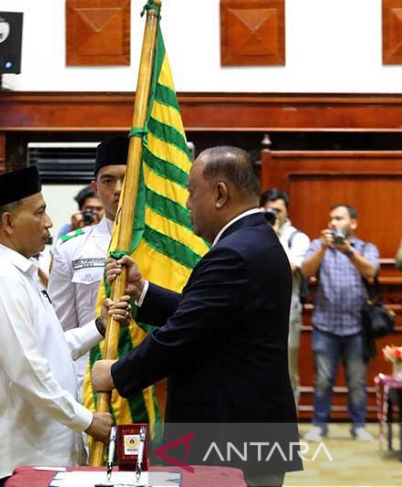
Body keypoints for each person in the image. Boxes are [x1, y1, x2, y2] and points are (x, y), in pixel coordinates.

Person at [91, 146, 301, 487]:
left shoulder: (233, 253)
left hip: (230, 437)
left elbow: (181, 337)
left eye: (191, 191)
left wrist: (115, 373)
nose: (186, 202)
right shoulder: (253, 240)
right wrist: (143, 291)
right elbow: (208, 321)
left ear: (219, 194)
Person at [0, 165, 126, 487]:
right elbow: (28, 371)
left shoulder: (18, 273)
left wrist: (100, 327)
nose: (48, 223)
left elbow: (49, 349)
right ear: (8, 223)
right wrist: (88, 421)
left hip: (40, 456)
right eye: (39, 213)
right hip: (14, 461)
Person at [48, 135, 127, 396]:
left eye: (127, 179)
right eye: (108, 180)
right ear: (95, 186)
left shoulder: (164, 248)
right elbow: (61, 332)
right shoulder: (71, 247)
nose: (118, 189)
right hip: (88, 385)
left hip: (148, 385)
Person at [301, 204, 379, 442]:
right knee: (323, 380)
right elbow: (305, 271)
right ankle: (319, 425)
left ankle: (358, 426)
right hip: (325, 326)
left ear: (353, 223)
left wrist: (348, 251)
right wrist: (324, 248)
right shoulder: (318, 245)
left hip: (356, 327)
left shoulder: (365, 247)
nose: (333, 223)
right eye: (331, 219)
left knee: (357, 381)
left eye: (339, 218)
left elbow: (371, 270)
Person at [260, 188, 310, 407]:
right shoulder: (253, 233)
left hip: (287, 312)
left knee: (287, 370)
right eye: (269, 210)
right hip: (256, 311)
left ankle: (290, 422)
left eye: (278, 210)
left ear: (287, 211)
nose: (275, 215)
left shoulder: (298, 238)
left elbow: (287, 267)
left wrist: (274, 234)